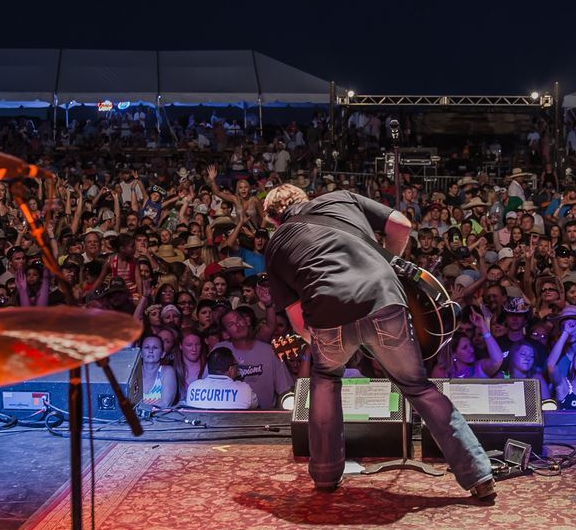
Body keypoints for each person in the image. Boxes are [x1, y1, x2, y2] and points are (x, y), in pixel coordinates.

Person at [259, 182, 495, 502]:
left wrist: (324, 339)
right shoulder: (340, 198)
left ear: (274, 220)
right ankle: (478, 474)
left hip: (327, 318)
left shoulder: (274, 247)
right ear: (305, 198)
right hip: (384, 301)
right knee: (418, 387)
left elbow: (300, 322)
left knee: (326, 379)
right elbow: (401, 224)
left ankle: (326, 474)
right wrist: (388, 264)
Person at [182, 347, 258, 409]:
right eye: (236, 365)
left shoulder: (193, 387)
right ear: (230, 369)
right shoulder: (244, 390)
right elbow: (255, 406)